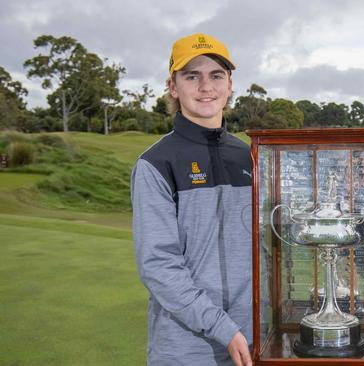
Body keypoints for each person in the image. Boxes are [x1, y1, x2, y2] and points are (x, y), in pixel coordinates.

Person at [131, 33, 253, 366]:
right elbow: (158, 265)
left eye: (216, 75)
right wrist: (222, 328)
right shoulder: (155, 163)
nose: (206, 86)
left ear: (230, 86)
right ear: (173, 86)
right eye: (192, 76)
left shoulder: (252, 158)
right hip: (185, 349)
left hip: (254, 342)